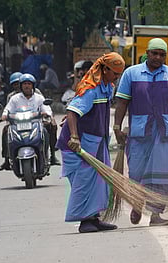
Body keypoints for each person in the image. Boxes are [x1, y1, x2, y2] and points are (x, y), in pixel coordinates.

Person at [113, 38, 168, 226]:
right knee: (137, 173)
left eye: (162, 54)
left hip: (164, 133)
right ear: (147, 53)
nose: (158, 57)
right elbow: (122, 102)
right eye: (154, 53)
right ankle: (137, 204)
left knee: (162, 174)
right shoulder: (131, 74)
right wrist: (117, 127)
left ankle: (156, 215)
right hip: (139, 133)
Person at [56, 52, 125, 233]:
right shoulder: (90, 88)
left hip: (96, 141)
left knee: (100, 181)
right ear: (104, 69)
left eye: (119, 74)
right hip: (78, 144)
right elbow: (72, 112)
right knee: (84, 181)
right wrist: (74, 137)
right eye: (115, 74)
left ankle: (94, 218)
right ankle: (84, 221)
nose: (116, 78)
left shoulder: (108, 87)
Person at [0, 72, 22, 171]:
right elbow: (8, 109)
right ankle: (7, 159)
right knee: (6, 130)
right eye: (15, 84)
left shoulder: (35, 93)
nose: (17, 86)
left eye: (19, 83)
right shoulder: (11, 96)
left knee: (48, 127)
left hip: (34, 120)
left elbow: (44, 106)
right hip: (16, 121)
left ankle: (52, 155)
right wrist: (4, 116)